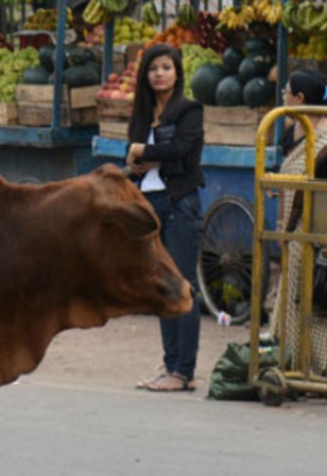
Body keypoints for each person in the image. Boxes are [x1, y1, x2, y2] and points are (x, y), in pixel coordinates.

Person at [125, 43, 205, 392]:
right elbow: (133, 152)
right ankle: (169, 364)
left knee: (182, 284)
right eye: (154, 68)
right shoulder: (143, 113)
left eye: (166, 68)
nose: (160, 74)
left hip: (180, 205)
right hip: (149, 204)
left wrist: (146, 152)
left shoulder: (189, 110)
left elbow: (182, 151)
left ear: (177, 73)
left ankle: (183, 372)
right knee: (160, 286)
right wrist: (135, 160)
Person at [270, 70, 327, 376]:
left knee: (323, 306)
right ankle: (295, 368)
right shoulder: (292, 131)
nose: (283, 97)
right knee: (294, 303)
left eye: (286, 92)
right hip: (294, 236)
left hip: (324, 236)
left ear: (300, 99)